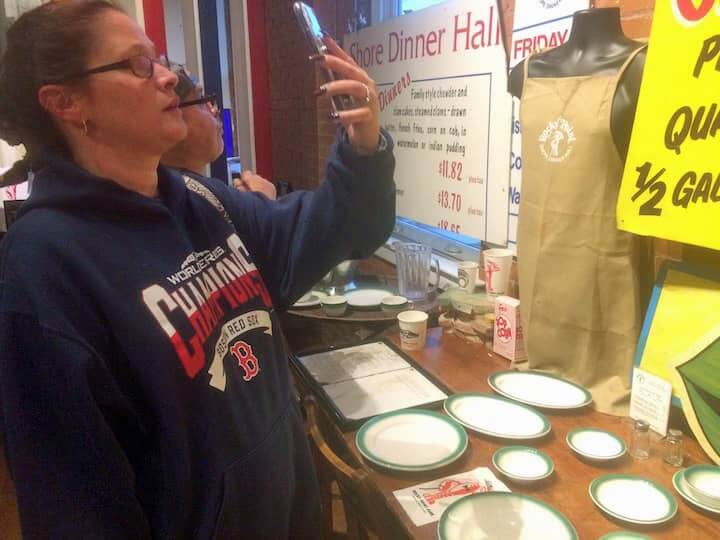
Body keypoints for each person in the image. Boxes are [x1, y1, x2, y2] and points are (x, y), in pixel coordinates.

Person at [0, 1, 395, 538]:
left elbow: (331, 227)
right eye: (139, 65)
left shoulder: (198, 198)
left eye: (158, 58)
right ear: (65, 102)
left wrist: (363, 142)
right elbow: (76, 507)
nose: (168, 77)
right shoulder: (44, 265)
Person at [161, 67, 277, 199]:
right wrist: (263, 205)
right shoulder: (176, 201)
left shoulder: (195, 194)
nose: (215, 110)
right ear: (172, 116)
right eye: (200, 100)